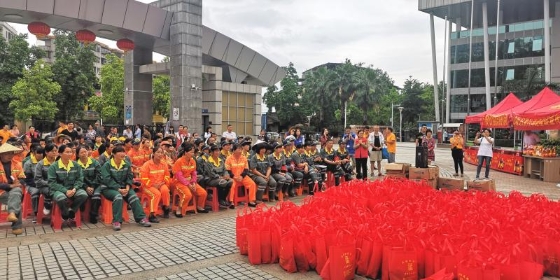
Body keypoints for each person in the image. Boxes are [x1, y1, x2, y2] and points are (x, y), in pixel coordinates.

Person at [100, 145, 151, 230]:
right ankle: (117, 221)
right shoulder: (107, 165)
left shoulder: (126, 164)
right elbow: (107, 180)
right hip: (109, 188)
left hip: (124, 187)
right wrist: (119, 189)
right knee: (118, 197)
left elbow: (129, 177)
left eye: (123, 152)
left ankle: (141, 218)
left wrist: (127, 188)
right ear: (114, 154)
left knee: (134, 197)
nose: (123, 154)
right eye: (120, 152)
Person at [47, 145, 88, 222]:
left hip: (73, 189)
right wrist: (65, 191)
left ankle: (71, 210)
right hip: (58, 190)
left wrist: (75, 189)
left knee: (83, 195)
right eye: (67, 152)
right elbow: (52, 183)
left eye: (71, 152)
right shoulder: (53, 167)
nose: (70, 154)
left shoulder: (76, 165)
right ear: (60, 154)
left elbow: (80, 179)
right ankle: (66, 213)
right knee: (61, 198)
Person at [172, 143, 209, 216]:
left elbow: (194, 173)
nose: (192, 154)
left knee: (203, 193)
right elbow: (179, 176)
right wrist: (188, 184)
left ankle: (199, 206)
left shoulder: (193, 161)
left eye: (193, 152)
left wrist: (194, 183)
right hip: (179, 182)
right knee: (188, 195)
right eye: (191, 152)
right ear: (185, 152)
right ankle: (179, 208)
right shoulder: (179, 161)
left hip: (190, 181)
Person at [0, 143, 26, 235]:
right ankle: (16, 226)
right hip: (1, 191)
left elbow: (22, 178)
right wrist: (9, 186)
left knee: (16, 193)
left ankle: (12, 214)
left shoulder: (17, 164)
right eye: (8, 153)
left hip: (14, 189)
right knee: (16, 198)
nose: (10, 155)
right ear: (1, 154)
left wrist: (19, 183)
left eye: (12, 153)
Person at [140, 146, 172, 222]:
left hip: (161, 184)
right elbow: (143, 178)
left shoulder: (164, 164)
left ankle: (166, 208)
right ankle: (152, 214)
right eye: (158, 152)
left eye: (161, 152)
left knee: (165, 190)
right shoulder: (147, 165)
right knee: (156, 194)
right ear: (153, 153)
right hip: (148, 186)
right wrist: (153, 185)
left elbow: (167, 175)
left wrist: (163, 182)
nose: (160, 154)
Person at [76, 145, 102, 223]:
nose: (84, 154)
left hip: (96, 185)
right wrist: (86, 187)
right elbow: (77, 179)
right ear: (77, 155)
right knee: (83, 195)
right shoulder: (75, 165)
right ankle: (82, 209)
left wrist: (93, 186)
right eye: (82, 152)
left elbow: (99, 175)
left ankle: (93, 215)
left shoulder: (94, 162)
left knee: (96, 196)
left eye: (85, 151)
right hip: (82, 186)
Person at [34, 144, 58, 216]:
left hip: (56, 184)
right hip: (44, 185)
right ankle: (47, 204)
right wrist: (50, 183)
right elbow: (38, 180)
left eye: (55, 151)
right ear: (46, 152)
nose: (54, 152)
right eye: (52, 151)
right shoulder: (40, 164)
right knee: (52, 190)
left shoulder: (58, 162)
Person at [23, 145, 44, 222]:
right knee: (36, 192)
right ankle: (36, 213)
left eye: (42, 153)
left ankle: (47, 209)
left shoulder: (45, 162)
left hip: (43, 183)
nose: (41, 155)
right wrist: (37, 184)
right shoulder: (28, 163)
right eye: (38, 153)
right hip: (32, 185)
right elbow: (27, 178)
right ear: (34, 153)